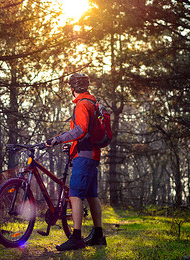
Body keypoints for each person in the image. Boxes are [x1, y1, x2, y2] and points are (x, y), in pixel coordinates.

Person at [46, 72, 107, 251]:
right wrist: (71, 146)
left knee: (75, 195)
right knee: (91, 195)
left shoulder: (81, 104)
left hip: (84, 157)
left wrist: (58, 139)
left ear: (72, 89)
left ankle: (76, 237)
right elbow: (86, 133)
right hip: (93, 155)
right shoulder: (92, 103)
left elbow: (81, 129)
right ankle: (98, 235)